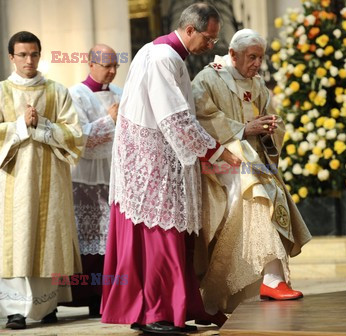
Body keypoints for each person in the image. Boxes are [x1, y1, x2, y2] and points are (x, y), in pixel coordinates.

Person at [101, 3, 240, 334]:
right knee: (160, 239)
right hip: (153, 165)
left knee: (166, 239)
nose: (211, 45)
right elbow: (174, 119)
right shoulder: (163, 57)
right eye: (208, 38)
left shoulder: (161, 53)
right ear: (190, 30)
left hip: (155, 161)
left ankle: (164, 310)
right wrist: (216, 151)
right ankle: (157, 314)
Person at [191, 29, 312, 315]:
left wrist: (270, 128)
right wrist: (244, 129)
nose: (257, 64)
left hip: (250, 162)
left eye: (260, 57)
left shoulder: (258, 85)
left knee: (262, 195)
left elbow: (272, 121)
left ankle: (269, 280)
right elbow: (200, 119)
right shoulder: (208, 79)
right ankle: (270, 280)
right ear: (233, 54)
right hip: (216, 163)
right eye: (252, 57)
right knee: (258, 194)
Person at [0, 31, 84, 329]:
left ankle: (47, 305)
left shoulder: (56, 90)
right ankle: (15, 310)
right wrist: (21, 124)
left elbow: (76, 134)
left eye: (34, 54)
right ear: (12, 57)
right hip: (14, 181)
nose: (29, 60)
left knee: (48, 238)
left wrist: (44, 124)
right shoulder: (2, 92)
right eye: (22, 54)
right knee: (17, 240)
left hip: (52, 180)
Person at [66, 44, 122, 317]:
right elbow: (80, 138)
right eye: (106, 66)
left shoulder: (121, 94)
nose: (112, 71)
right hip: (85, 177)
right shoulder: (75, 94)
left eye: (115, 66)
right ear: (90, 64)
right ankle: (85, 297)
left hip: (113, 174)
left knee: (110, 239)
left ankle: (108, 297)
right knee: (87, 241)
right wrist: (110, 121)